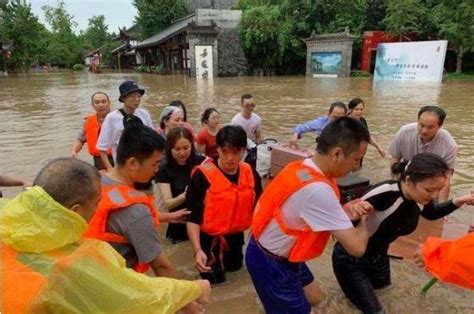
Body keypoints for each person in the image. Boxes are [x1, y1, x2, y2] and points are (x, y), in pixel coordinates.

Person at [1, 158, 211, 313]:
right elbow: (137, 297)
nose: (99, 207)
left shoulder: (6, 216)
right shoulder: (75, 265)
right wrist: (194, 289)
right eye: (96, 203)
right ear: (75, 211)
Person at [246, 117, 374, 314]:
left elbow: (305, 209)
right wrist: (365, 221)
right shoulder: (318, 191)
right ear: (337, 153)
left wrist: (345, 210)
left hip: (269, 248)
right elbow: (357, 248)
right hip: (271, 264)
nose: (356, 167)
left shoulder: (302, 167)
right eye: (357, 159)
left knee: (317, 298)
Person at [332, 153, 474, 314]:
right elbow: (341, 221)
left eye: (439, 190)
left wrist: (462, 199)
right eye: (430, 190)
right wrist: (354, 213)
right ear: (408, 181)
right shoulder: (384, 192)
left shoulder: (420, 199)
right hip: (350, 262)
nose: (435, 195)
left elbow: (432, 213)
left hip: (379, 258)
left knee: (386, 296)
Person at [86, 125, 189, 277]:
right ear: (132, 163)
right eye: (154, 164)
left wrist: (170, 217)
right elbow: (162, 267)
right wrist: (188, 297)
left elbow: (119, 222)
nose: (156, 170)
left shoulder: (93, 183)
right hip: (119, 286)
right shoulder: (136, 210)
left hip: (89, 273)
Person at [186, 125, 263, 284]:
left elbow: (261, 208)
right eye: (225, 151)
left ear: (243, 151)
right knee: (212, 284)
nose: (230, 158)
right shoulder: (202, 176)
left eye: (235, 152)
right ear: (217, 149)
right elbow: (193, 218)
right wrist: (197, 250)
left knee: (236, 276)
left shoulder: (251, 173)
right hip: (209, 241)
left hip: (236, 238)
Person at [388, 106, 457, 201]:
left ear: (440, 126)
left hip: (432, 185)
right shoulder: (404, 132)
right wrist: (395, 188)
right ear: (417, 121)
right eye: (421, 125)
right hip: (407, 180)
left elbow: (445, 179)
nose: (424, 131)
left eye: (430, 127)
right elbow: (395, 160)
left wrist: (441, 207)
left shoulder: (449, 145)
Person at [156, 127, 206, 243]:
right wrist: (185, 195)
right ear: (169, 148)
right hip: (178, 222)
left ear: (192, 145)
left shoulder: (202, 162)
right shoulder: (164, 168)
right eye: (177, 149)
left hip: (200, 221)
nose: (182, 153)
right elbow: (168, 204)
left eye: (186, 148)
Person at [96, 80, 154, 171]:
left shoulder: (144, 114)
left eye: (139, 96)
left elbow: (152, 139)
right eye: (133, 96)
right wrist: (110, 169)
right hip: (123, 168)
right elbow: (102, 148)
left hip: (143, 166)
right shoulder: (112, 118)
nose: (137, 99)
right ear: (123, 98)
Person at [70, 91, 114, 170]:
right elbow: (80, 139)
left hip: (117, 159)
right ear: (93, 105)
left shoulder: (118, 119)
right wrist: (74, 151)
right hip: (98, 160)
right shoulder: (89, 120)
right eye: (97, 102)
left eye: (103, 102)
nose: (101, 105)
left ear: (109, 103)